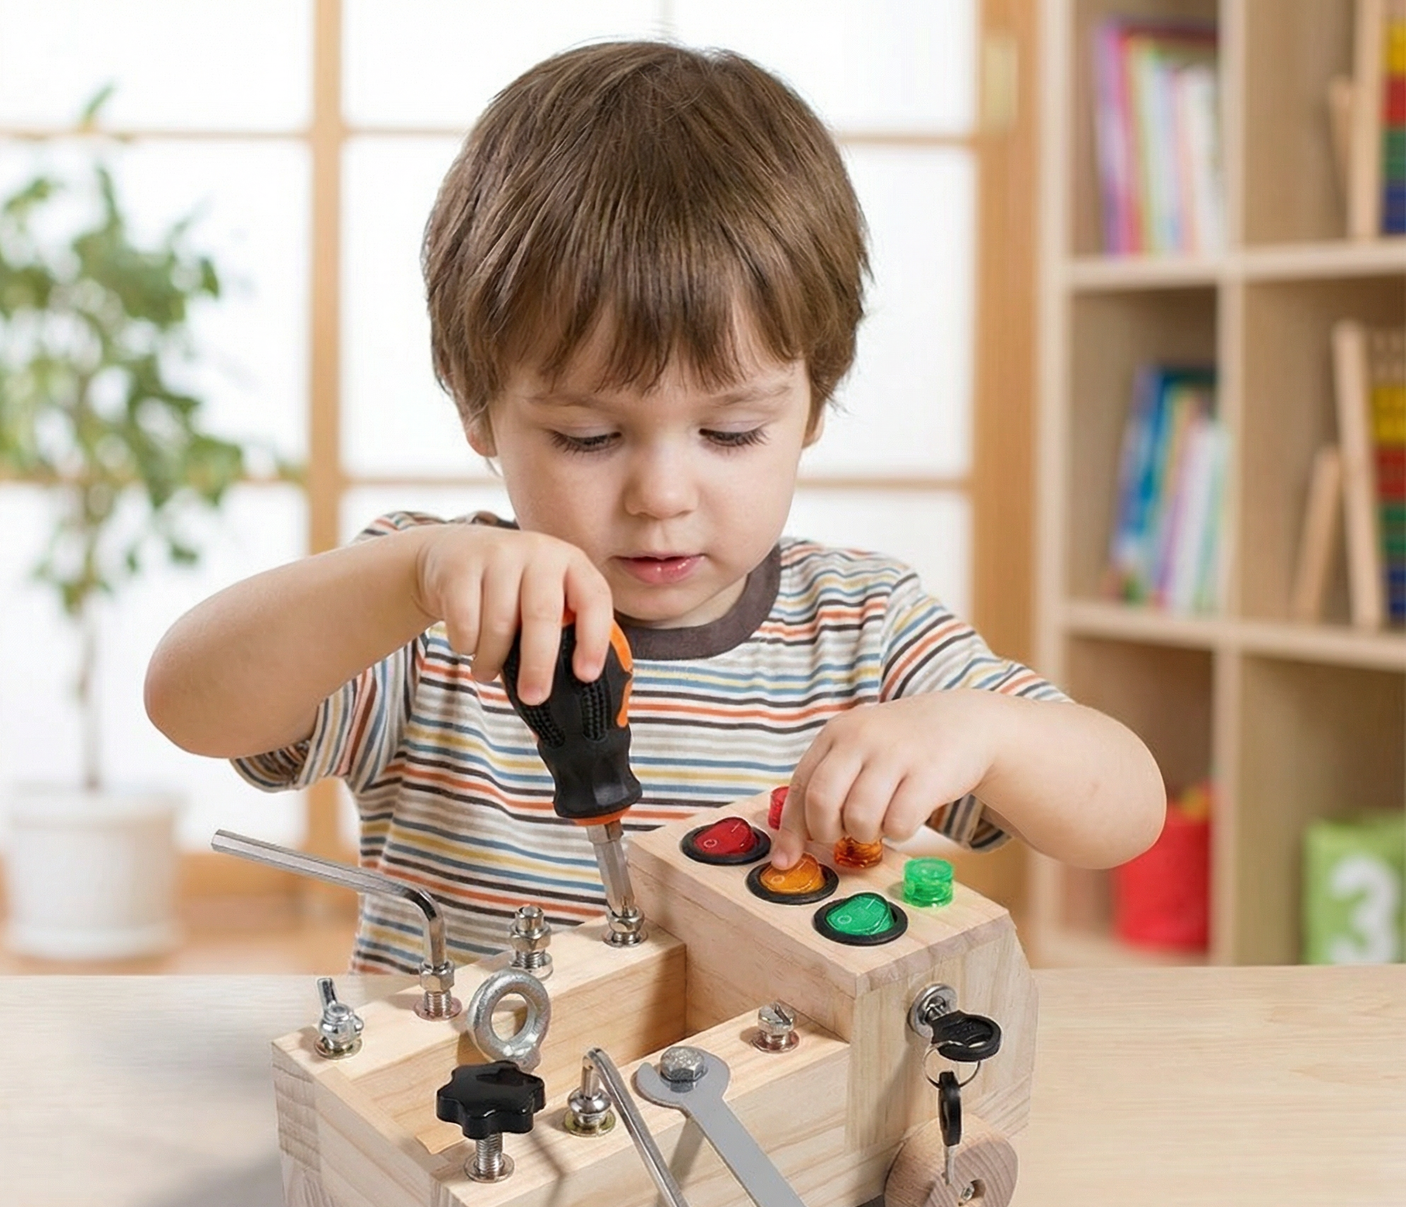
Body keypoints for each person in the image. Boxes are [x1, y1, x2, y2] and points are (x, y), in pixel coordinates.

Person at [145, 40, 1164, 973]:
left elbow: (1122, 809)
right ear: (477, 408)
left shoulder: (861, 628)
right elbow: (188, 702)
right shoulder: (431, 610)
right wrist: (400, 576)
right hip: (461, 1134)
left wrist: (980, 729)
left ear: (812, 401)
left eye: (729, 433)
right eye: (588, 437)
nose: (663, 497)